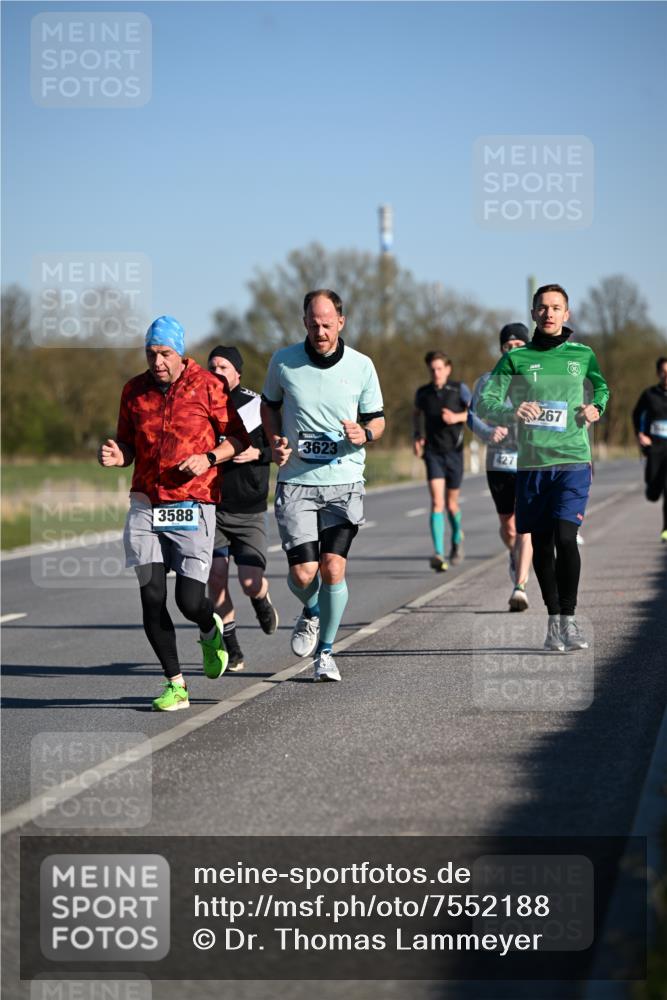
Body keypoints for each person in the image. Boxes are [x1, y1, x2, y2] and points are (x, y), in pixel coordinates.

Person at [98, 315, 249, 711]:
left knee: (189, 600)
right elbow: (128, 444)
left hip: (192, 501)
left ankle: (208, 626)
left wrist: (209, 457)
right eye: (151, 353)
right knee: (150, 594)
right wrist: (119, 456)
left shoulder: (209, 386)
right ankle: (176, 685)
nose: (157, 361)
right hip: (146, 502)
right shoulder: (134, 391)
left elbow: (238, 438)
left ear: (180, 353)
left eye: (164, 353)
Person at [260, 289, 385, 682]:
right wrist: (274, 439)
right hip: (296, 481)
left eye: (327, 324)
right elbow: (268, 405)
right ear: (304, 323)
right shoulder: (283, 361)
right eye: (313, 324)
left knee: (333, 568)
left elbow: (378, 421)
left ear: (341, 322)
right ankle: (311, 612)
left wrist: (364, 433)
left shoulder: (362, 366)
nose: (320, 331)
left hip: (344, 481)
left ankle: (326, 653)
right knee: (303, 574)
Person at [478, 285, 610, 652]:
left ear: (566, 314)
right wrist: (511, 411)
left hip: (572, 460)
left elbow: (601, 388)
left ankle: (569, 618)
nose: (549, 313)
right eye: (543, 308)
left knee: (567, 538)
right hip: (533, 465)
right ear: (534, 314)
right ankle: (554, 623)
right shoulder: (516, 360)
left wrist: (596, 408)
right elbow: (487, 402)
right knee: (543, 543)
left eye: (556, 308)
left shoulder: (582, 355)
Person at [207, 345, 279, 672]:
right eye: (212, 367)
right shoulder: (201, 404)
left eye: (223, 367)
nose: (217, 372)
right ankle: (233, 648)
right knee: (216, 578)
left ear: (237, 372)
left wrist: (257, 455)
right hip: (212, 506)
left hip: (249, 508)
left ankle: (261, 600)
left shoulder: (255, 404)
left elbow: (279, 447)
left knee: (250, 581)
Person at [468, 323, 533, 611]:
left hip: (530, 459)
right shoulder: (486, 381)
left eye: (520, 346)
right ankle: (514, 555)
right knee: (508, 527)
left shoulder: (536, 379)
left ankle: (520, 587)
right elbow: (471, 416)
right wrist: (486, 432)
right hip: (499, 461)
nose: (513, 350)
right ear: (501, 349)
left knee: (525, 527)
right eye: (509, 346)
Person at [413, 352, 471, 571]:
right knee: (437, 502)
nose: (436, 373)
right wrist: (417, 436)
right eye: (432, 369)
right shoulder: (423, 393)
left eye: (439, 368)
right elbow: (416, 414)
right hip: (433, 453)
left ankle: (457, 537)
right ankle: (438, 553)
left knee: (451, 504)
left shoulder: (459, 389)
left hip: (454, 453)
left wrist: (456, 418)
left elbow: (475, 412)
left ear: (448, 369)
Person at [632, 356, 667, 542]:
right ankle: (652, 489)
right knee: (654, 492)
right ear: (658, 373)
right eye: (663, 372)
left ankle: (666, 529)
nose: (666, 376)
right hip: (655, 447)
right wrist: (640, 434)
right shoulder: (649, 394)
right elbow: (637, 414)